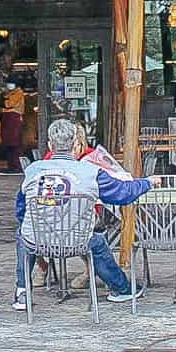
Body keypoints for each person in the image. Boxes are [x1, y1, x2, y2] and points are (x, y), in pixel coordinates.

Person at [13, 119, 155, 310]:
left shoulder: (32, 170)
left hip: (37, 241)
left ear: (49, 145)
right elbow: (123, 193)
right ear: (75, 145)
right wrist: (148, 182)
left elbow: (21, 209)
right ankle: (122, 289)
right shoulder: (91, 172)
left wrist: (34, 228)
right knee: (97, 241)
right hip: (77, 241)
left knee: (23, 235)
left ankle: (22, 292)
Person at [0, 80, 27, 172]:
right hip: (8, 120)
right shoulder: (9, 93)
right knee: (9, 144)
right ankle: (11, 166)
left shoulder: (18, 93)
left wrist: (4, 98)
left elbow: (9, 104)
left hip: (14, 119)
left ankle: (17, 166)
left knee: (15, 144)